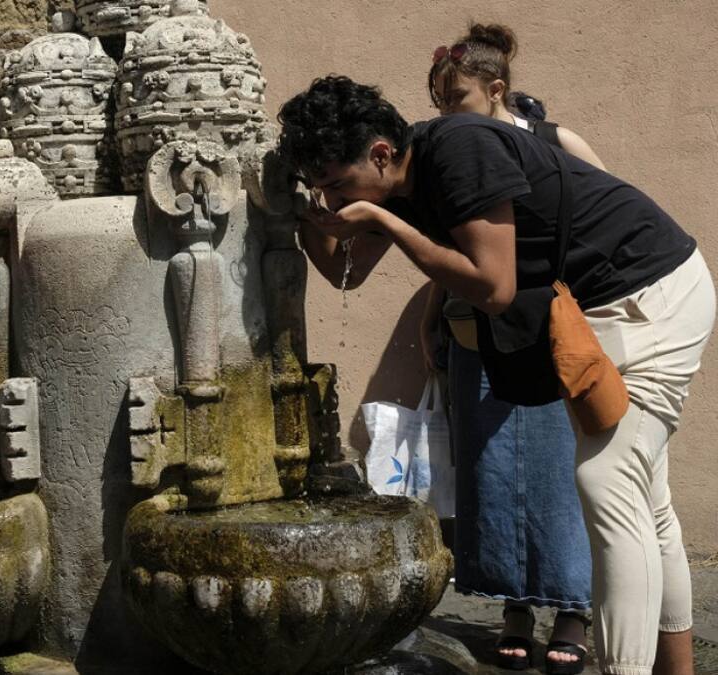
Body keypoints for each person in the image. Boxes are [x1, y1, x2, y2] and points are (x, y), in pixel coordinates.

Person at [278, 75, 711, 675]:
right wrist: (299, 214)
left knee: (606, 480)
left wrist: (397, 227)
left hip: (650, 291)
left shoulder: (460, 150)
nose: (333, 197)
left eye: (336, 185)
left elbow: (494, 286)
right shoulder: (386, 184)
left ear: (380, 153)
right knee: (647, 501)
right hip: (602, 308)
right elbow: (344, 274)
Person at [419, 23, 606, 673]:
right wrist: (431, 314)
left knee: (560, 476)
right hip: (475, 335)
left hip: (550, 339)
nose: (446, 114)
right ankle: (516, 609)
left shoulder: (557, 144)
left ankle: (573, 612)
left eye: (458, 99)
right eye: (440, 101)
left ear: (496, 90)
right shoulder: (451, 152)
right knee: (492, 475)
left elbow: (606, 225)